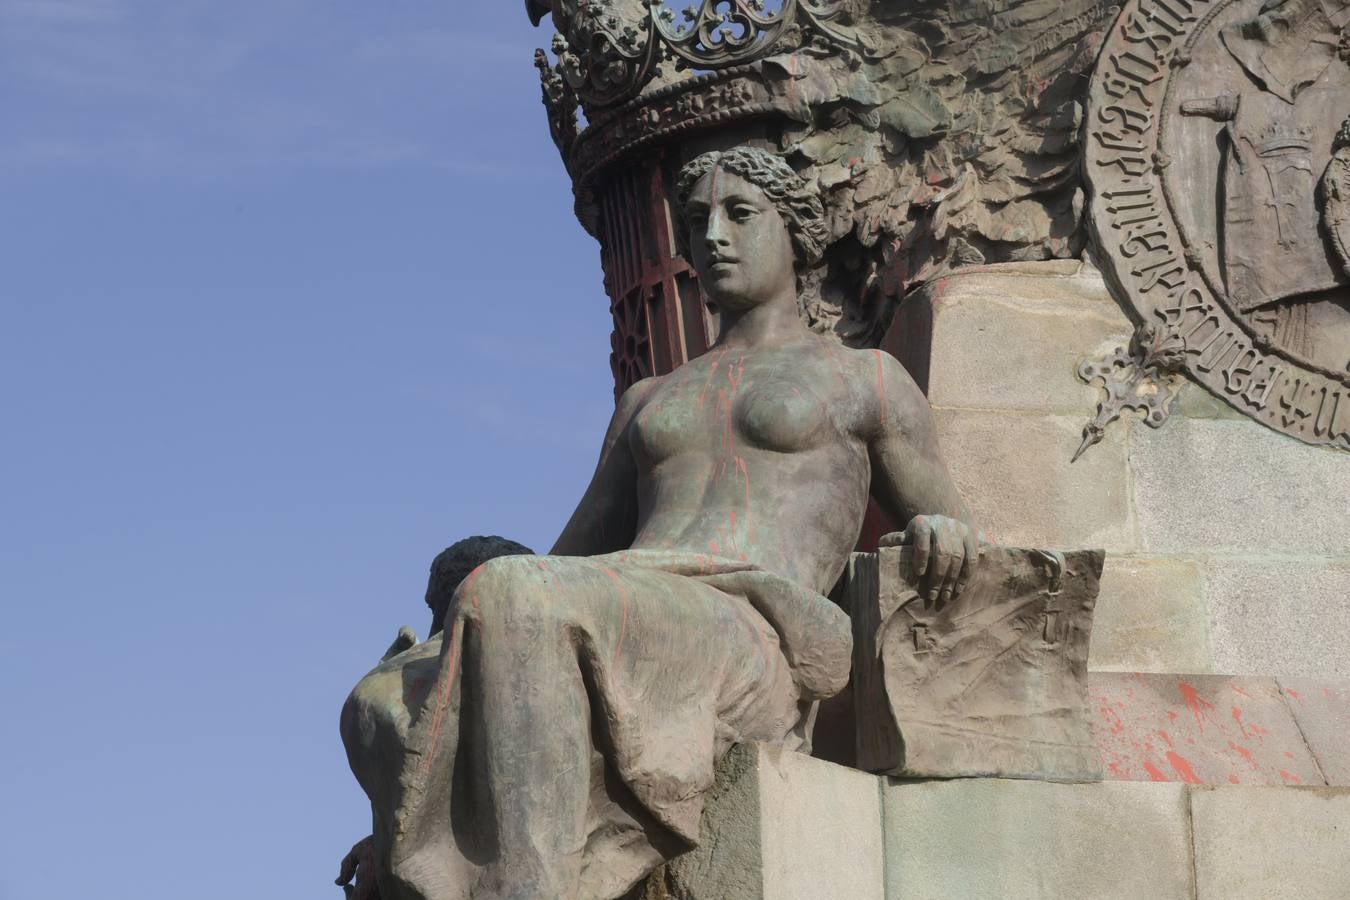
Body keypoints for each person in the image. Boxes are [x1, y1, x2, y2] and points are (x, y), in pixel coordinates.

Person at [338, 146, 979, 900]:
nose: (711, 236)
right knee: (381, 695)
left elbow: (954, 523)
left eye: (740, 214)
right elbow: (571, 553)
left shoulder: (862, 376)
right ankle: (462, 849)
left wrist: (944, 532)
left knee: (508, 593)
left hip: (754, 620)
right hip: (640, 597)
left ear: (797, 234)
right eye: (696, 219)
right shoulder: (648, 398)